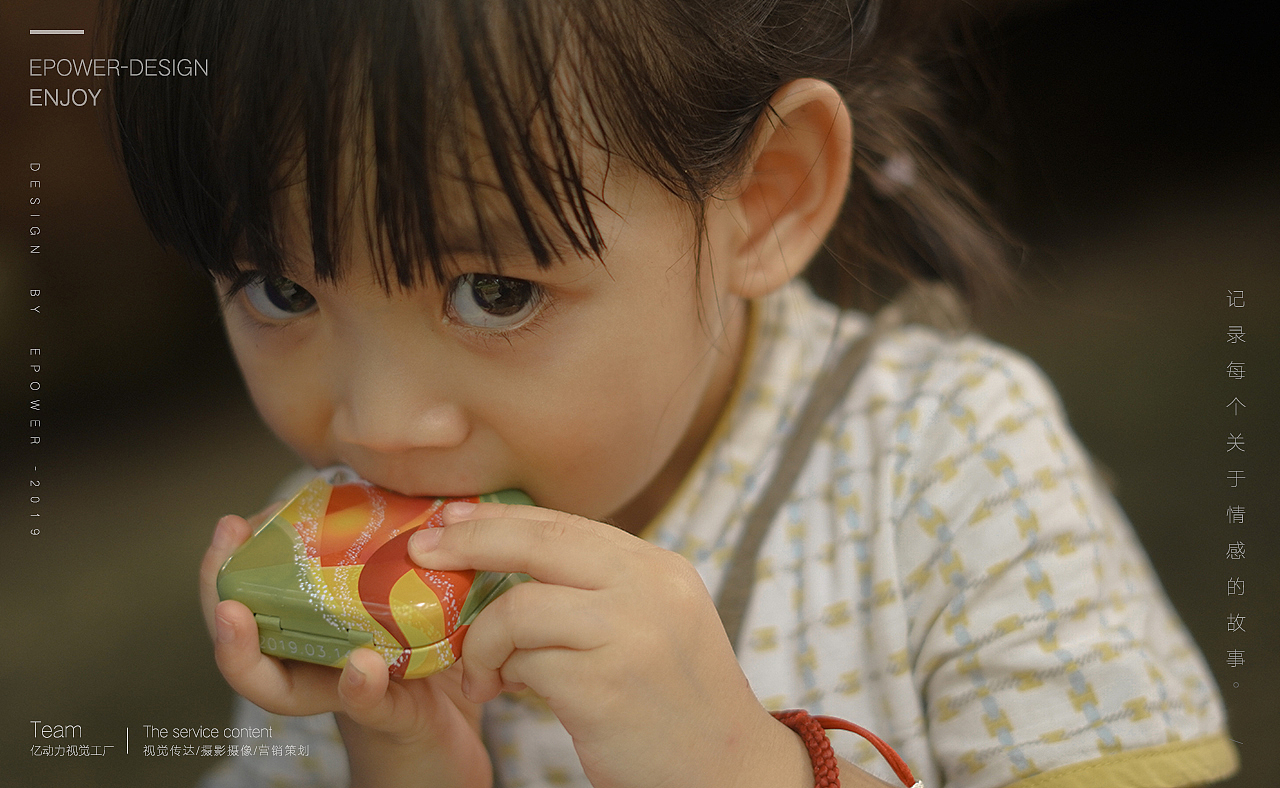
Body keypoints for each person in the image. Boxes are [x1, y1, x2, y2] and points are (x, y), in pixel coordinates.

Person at [108, 1, 1238, 786]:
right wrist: (398, 760)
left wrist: (741, 766)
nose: (377, 424)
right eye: (277, 286)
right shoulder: (324, 588)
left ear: (763, 199)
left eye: (494, 290)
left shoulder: (949, 466)